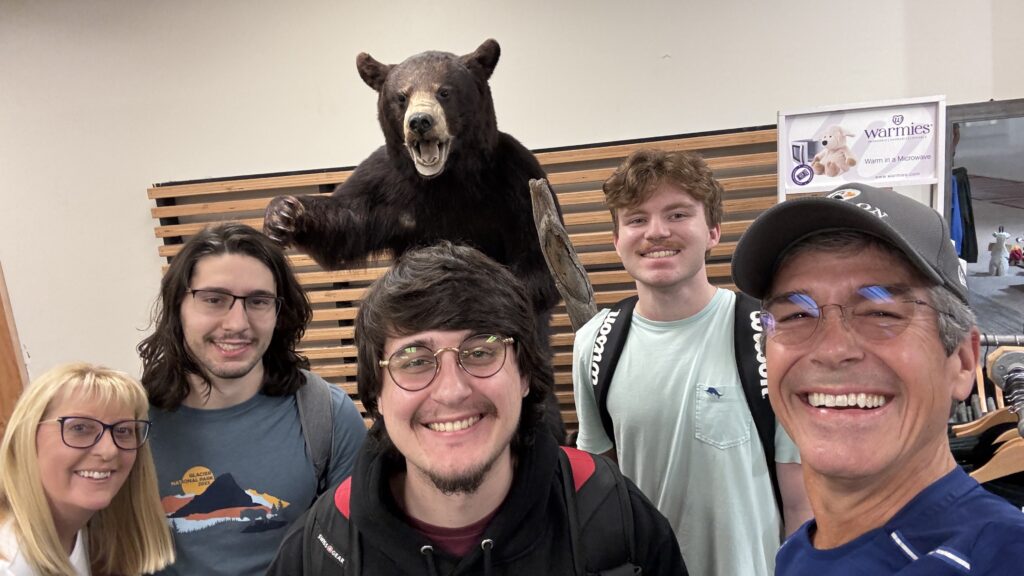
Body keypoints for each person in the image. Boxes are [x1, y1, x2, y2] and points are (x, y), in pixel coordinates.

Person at [267, 241, 685, 575]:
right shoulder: (323, 549)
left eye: (481, 352)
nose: (451, 392)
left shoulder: (610, 513)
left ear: (523, 373)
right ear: (376, 394)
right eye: (414, 360)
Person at [732, 182, 1024, 575]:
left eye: (881, 312)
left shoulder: (1001, 555)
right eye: (796, 316)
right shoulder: (799, 551)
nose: (832, 350)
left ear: (962, 360)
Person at [572, 148, 811, 576]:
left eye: (678, 214)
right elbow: (602, 490)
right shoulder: (593, 344)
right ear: (616, 239)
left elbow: (800, 502)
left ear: (714, 231)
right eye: (636, 219)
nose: (656, 232)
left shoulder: (768, 336)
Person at [137, 222, 367, 576]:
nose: (237, 323)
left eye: (258, 301)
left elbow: (359, 550)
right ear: (178, 306)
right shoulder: (130, 422)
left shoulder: (328, 417)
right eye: (214, 299)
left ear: (279, 312)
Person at [0, 362, 175, 575]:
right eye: (80, 428)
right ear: (26, 438)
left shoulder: (87, 536)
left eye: (123, 430)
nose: (109, 450)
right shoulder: (10, 564)